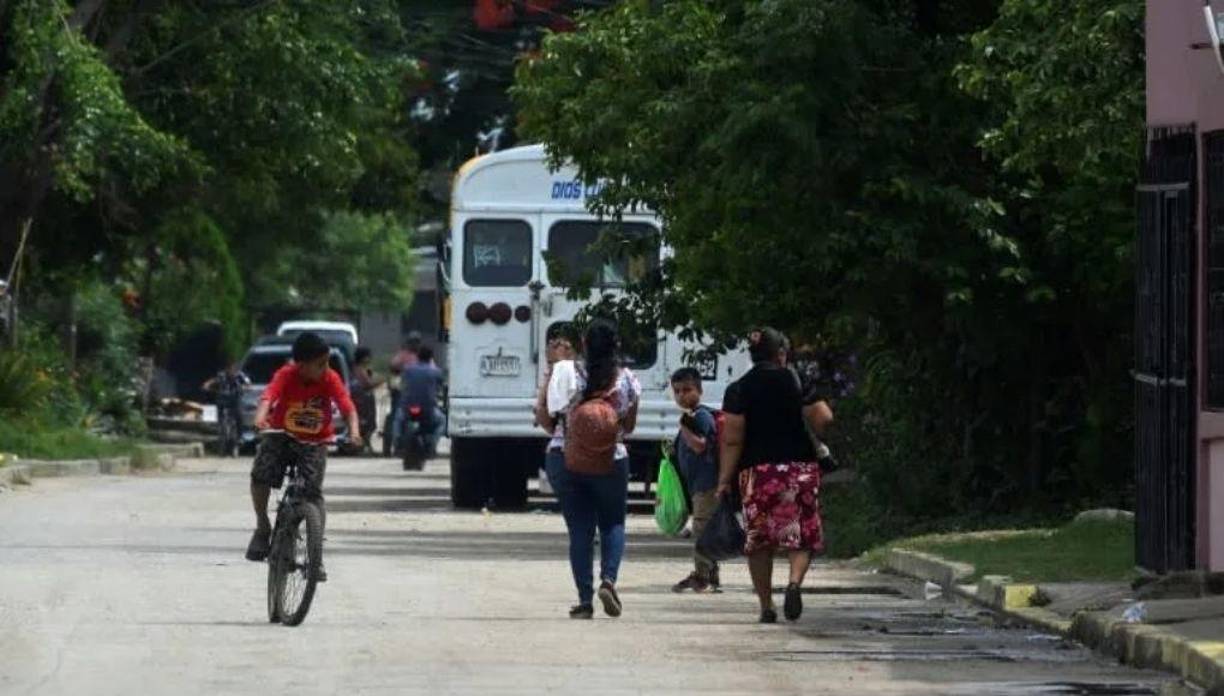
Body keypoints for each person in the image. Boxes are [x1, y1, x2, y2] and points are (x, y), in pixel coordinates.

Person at [716, 327, 834, 624]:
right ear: (781, 354)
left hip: (758, 473)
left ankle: (766, 606)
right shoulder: (797, 381)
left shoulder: (739, 388)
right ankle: (793, 583)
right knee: (801, 534)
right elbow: (824, 419)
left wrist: (723, 480)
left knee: (760, 540)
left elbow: (732, 439)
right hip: (800, 468)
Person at [535, 319, 640, 620]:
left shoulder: (568, 372)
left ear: (583, 344)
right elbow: (629, 427)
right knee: (613, 523)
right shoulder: (628, 379)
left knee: (580, 530)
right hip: (612, 457)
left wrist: (549, 374)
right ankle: (608, 580)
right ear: (617, 345)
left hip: (564, 456)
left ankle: (584, 601)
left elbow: (546, 421)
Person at [246, 332, 361, 582]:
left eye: (326, 362)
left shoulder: (330, 378)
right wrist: (260, 418)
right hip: (282, 435)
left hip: (315, 442)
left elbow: (347, 407)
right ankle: (262, 525)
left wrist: (354, 432)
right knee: (261, 475)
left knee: (313, 494)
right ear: (302, 365)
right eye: (320, 364)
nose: (325, 368)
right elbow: (268, 396)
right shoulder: (286, 375)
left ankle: (315, 553)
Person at [669, 367, 721, 593]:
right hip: (698, 485)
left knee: (701, 529)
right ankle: (710, 573)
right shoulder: (692, 416)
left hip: (706, 484)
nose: (682, 395)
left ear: (699, 390)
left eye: (687, 390)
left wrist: (684, 429)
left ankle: (702, 576)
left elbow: (700, 445)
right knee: (705, 528)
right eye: (677, 391)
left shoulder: (700, 416)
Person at [534, 324, 578, 494]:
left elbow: (545, 417)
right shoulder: (619, 375)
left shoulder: (566, 373)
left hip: (565, 452)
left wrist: (554, 368)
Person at [399, 345, 446, 456]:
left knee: (398, 420)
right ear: (431, 358)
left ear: (418, 357)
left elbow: (403, 383)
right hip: (428, 409)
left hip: (408, 408)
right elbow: (442, 383)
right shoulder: (435, 371)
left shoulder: (408, 369)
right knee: (443, 421)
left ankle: (397, 444)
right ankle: (432, 444)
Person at [203, 362, 250, 455]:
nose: (231, 372)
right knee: (220, 417)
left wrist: (245, 388)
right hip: (223, 399)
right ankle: (221, 432)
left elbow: (248, 383)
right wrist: (207, 385)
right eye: (229, 369)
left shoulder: (240, 376)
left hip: (235, 399)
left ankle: (240, 437)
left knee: (239, 416)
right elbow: (213, 381)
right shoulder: (222, 376)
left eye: (233, 370)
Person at [350, 347, 384, 451]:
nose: (369, 359)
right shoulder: (359, 369)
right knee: (367, 424)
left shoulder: (361, 369)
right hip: (362, 400)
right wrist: (381, 381)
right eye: (367, 357)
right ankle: (362, 445)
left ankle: (365, 444)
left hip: (363, 400)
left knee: (367, 423)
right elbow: (367, 384)